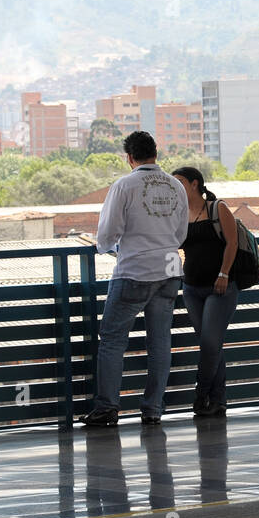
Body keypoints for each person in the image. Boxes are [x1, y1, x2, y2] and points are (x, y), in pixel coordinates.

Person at [80, 131, 188, 427]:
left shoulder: (124, 185)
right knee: (160, 342)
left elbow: (106, 234)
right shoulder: (176, 185)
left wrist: (106, 246)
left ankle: (107, 408)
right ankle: (153, 408)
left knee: (113, 341)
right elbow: (181, 234)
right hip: (168, 270)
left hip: (134, 271)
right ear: (156, 152)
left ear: (129, 157)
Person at [173, 166, 241, 417]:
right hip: (191, 288)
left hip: (220, 287)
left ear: (194, 183)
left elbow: (232, 243)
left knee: (211, 343)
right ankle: (218, 400)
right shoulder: (179, 214)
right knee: (211, 345)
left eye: (179, 181)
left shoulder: (217, 207)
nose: (175, 186)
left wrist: (224, 273)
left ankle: (200, 394)